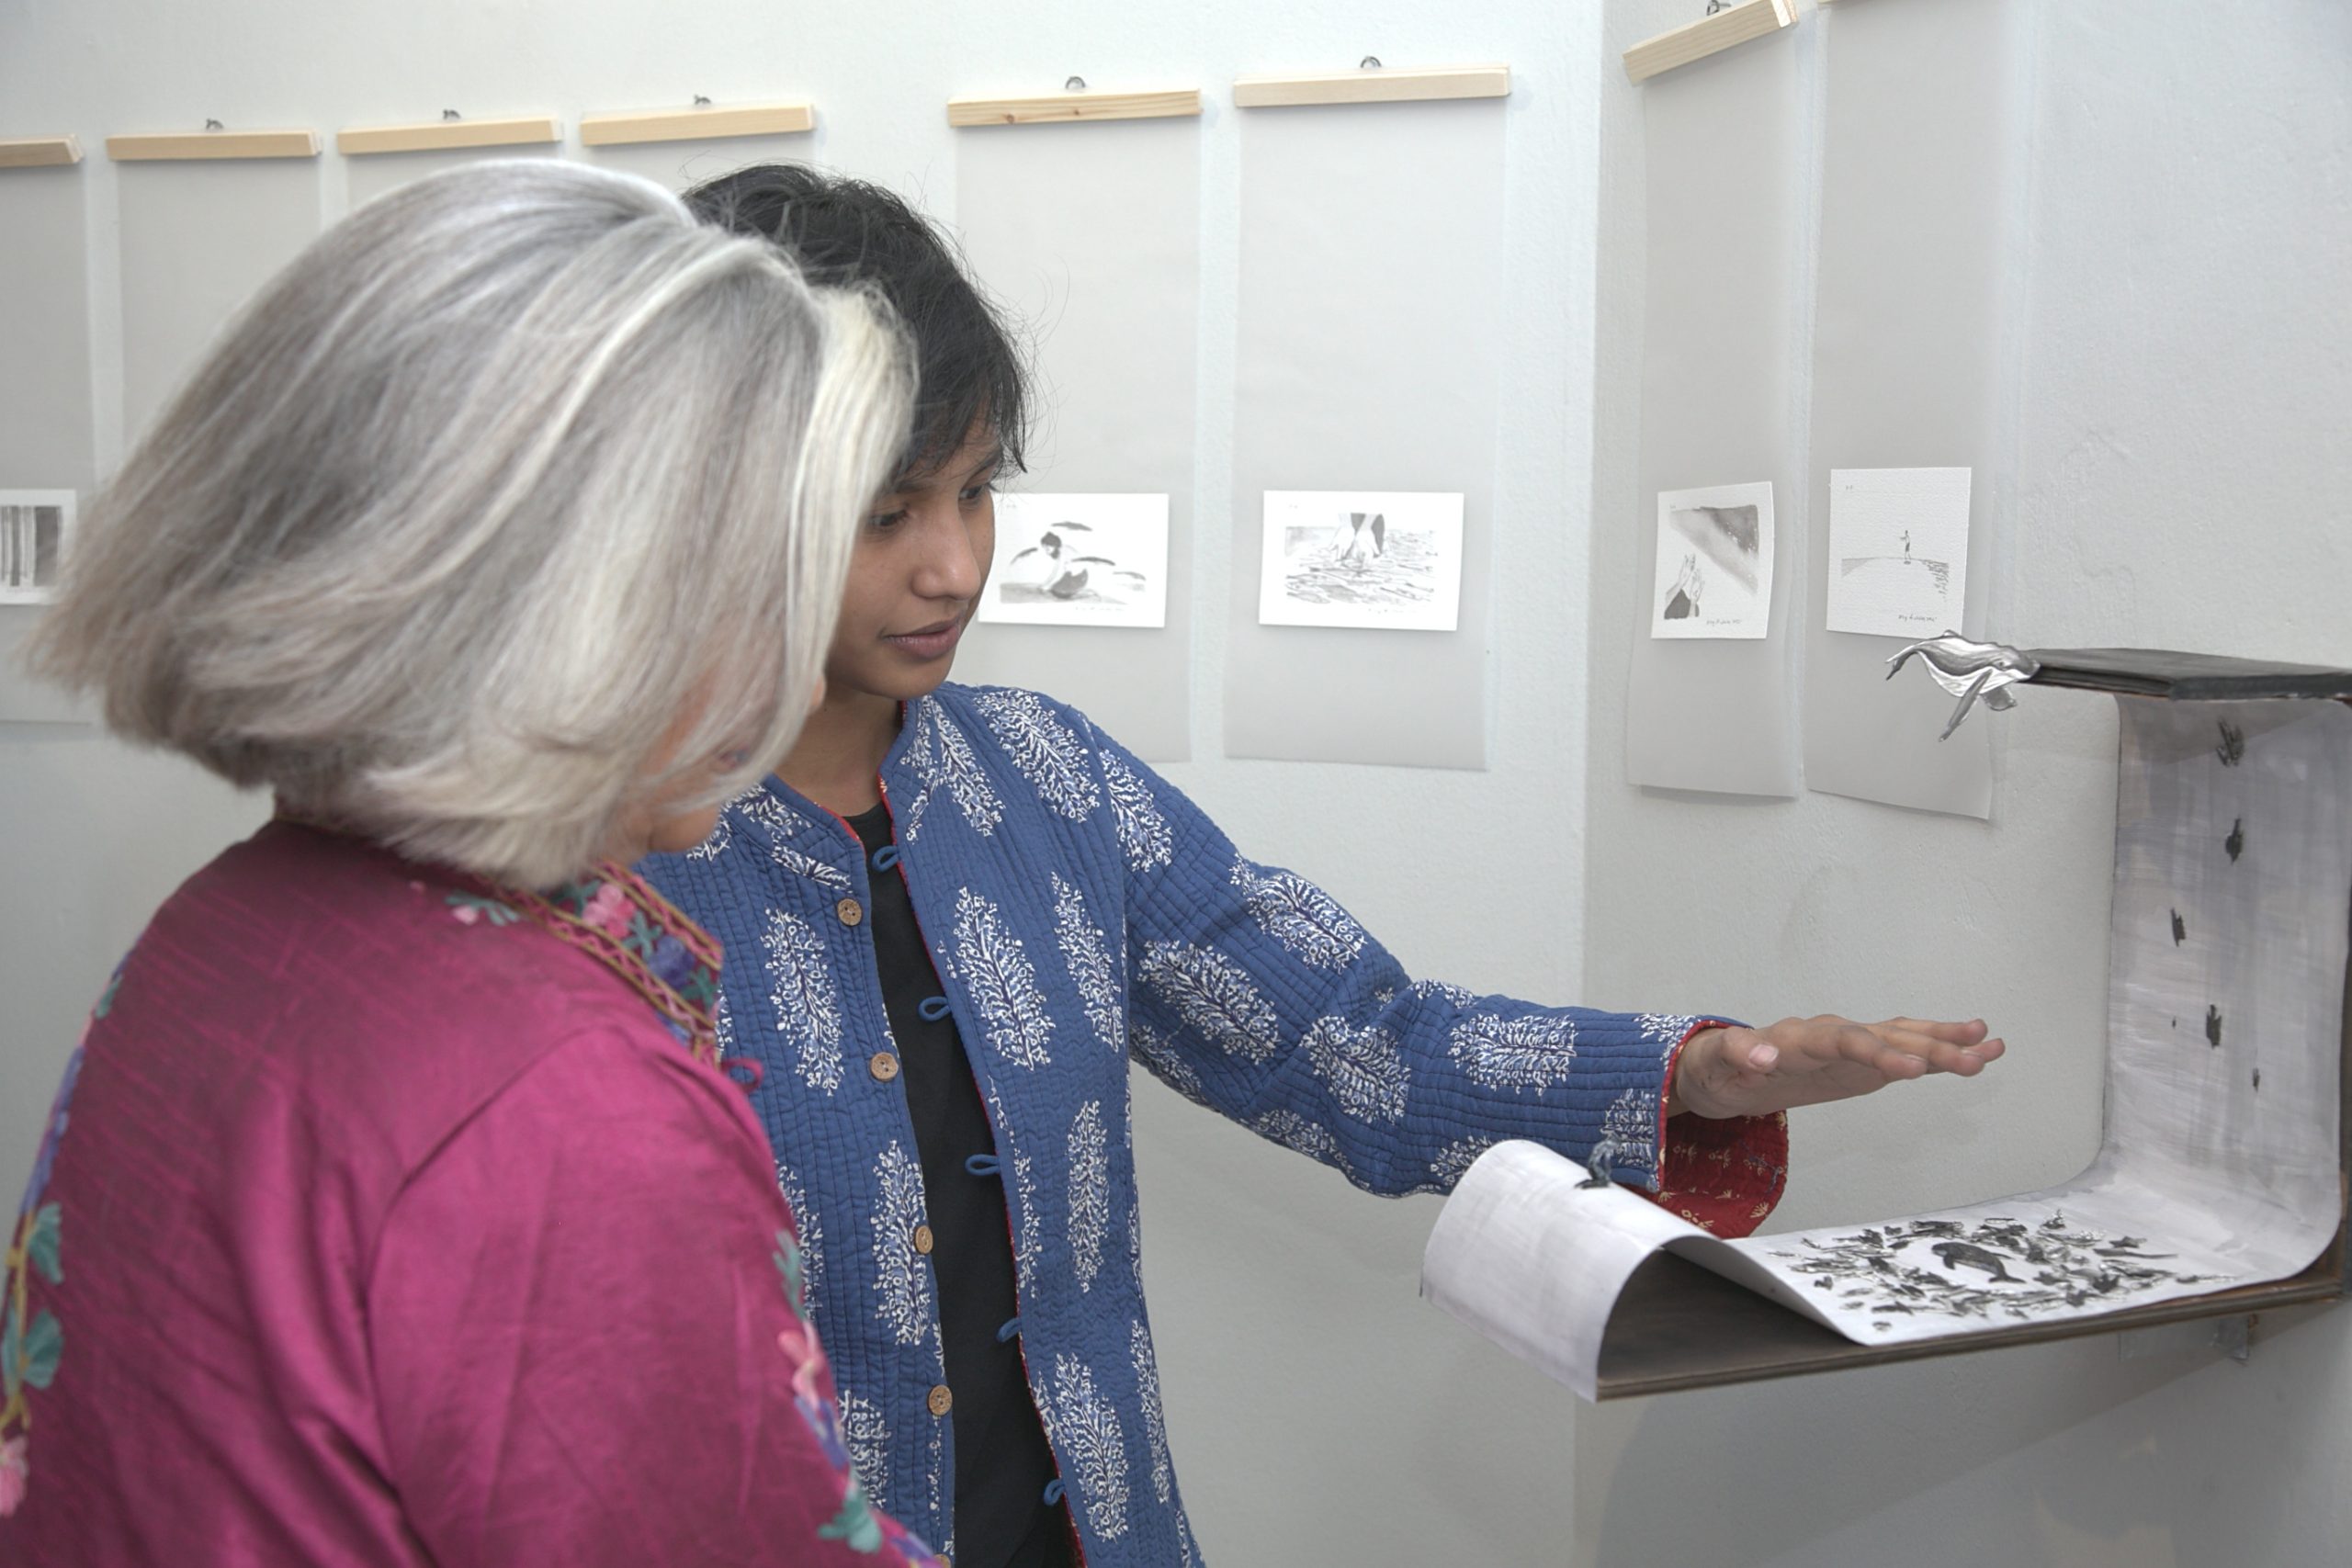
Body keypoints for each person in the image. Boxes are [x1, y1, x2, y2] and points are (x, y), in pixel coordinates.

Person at [647, 165, 2005, 1568]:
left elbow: (1359, 1047)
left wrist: (1696, 1074)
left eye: (977, 493)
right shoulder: (592, 866)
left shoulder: (1043, 782)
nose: (953, 567)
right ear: (722, 491)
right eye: (887, 516)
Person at [0, 162, 943, 1566]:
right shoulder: (569, 1113)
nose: (801, 671)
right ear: (598, 610)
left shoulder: (240, 920)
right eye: (771, 584)